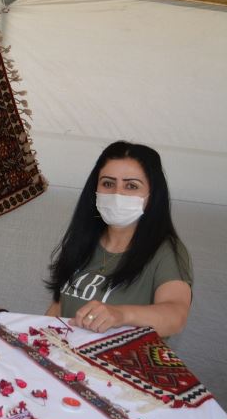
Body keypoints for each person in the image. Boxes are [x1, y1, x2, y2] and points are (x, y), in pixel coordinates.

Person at [45, 141, 192, 337]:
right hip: (66, 360)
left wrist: (121, 314)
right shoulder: (83, 241)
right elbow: (57, 307)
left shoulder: (166, 251)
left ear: (152, 195)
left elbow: (176, 316)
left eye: (131, 186)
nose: (117, 194)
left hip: (123, 364)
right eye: (108, 183)